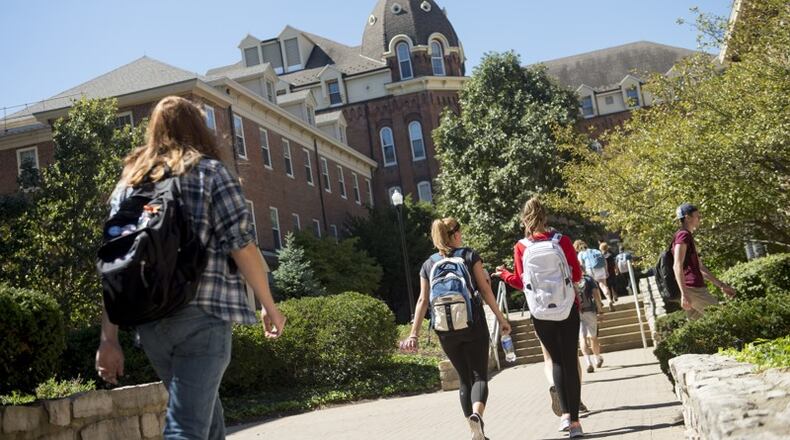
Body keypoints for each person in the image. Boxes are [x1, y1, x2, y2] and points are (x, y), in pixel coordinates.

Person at [95, 96, 286, 439]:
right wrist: (268, 306)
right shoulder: (210, 173)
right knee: (186, 428)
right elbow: (243, 246)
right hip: (203, 317)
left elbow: (115, 265)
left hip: (151, 323)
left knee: (206, 421)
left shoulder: (127, 188)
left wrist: (108, 339)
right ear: (199, 129)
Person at [401, 218, 511, 440]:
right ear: (455, 234)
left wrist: (413, 333)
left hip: (445, 330)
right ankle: (477, 416)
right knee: (480, 376)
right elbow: (486, 290)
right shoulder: (469, 256)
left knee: (464, 379)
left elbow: (423, 300)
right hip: (473, 325)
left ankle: (477, 433)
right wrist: (501, 318)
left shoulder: (428, 264)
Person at [496, 197, 585, 438]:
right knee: (569, 359)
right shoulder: (562, 241)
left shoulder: (521, 246)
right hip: (567, 307)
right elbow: (576, 274)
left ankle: (565, 416)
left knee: (555, 361)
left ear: (524, 219)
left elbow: (520, 282)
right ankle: (576, 423)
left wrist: (503, 274)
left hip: (541, 311)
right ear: (545, 217)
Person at [673, 203, 736, 320]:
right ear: (687, 217)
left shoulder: (687, 236)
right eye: (697, 216)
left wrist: (722, 286)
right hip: (692, 289)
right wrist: (684, 293)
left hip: (692, 288)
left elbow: (700, 267)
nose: (700, 219)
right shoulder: (683, 236)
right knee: (722, 318)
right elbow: (677, 265)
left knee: (701, 330)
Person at [574, 240, 615, 312]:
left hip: (590, 269)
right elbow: (604, 260)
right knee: (603, 285)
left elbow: (580, 264)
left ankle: (600, 303)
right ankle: (609, 300)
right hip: (601, 268)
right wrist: (606, 270)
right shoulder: (595, 250)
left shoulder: (581, 253)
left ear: (577, 247)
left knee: (594, 287)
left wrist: (583, 273)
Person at [577, 275, 604, 373]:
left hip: (577, 312)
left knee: (582, 337)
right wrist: (600, 310)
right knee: (593, 337)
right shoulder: (588, 279)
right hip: (590, 311)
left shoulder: (570, 279)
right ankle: (597, 359)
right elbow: (596, 295)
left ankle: (588, 362)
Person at [600, 242, 619, 307]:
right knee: (614, 283)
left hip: (605, 272)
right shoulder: (610, 254)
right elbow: (615, 263)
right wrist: (616, 269)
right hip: (611, 271)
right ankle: (615, 295)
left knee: (608, 285)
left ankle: (611, 298)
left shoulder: (601, 256)